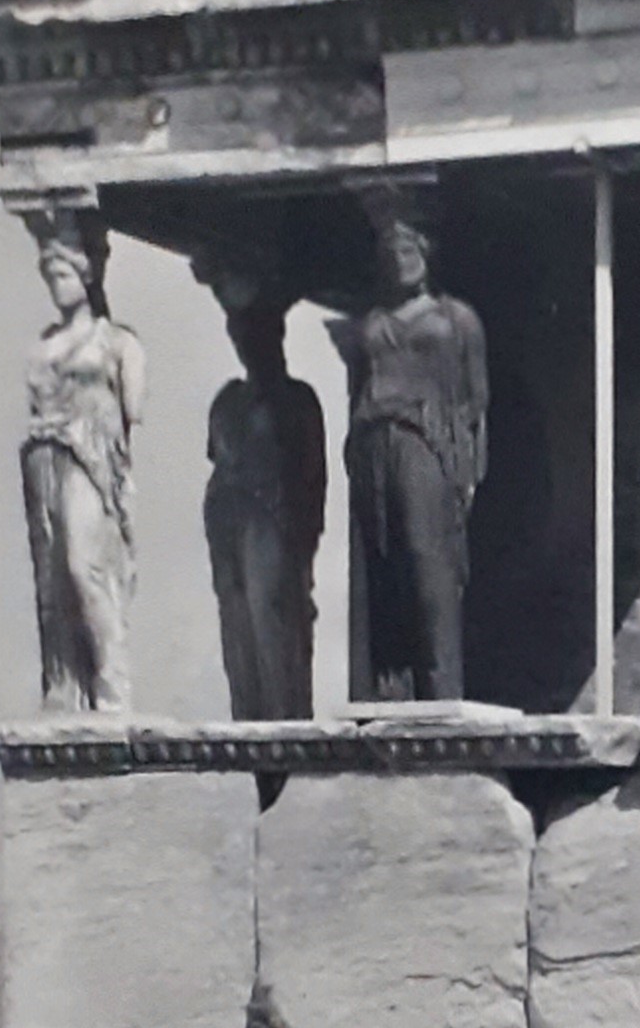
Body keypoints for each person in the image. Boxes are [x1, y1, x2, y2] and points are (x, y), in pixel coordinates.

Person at [341, 201, 486, 701]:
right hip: (373, 439)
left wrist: (464, 473)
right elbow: (357, 384)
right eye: (391, 249)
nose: (400, 257)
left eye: (408, 246)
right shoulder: (373, 321)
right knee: (382, 564)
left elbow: (474, 402)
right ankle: (389, 691)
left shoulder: (456, 318)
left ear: (426, 250)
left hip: (426, 439)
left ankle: (441, 687)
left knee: (428, 561)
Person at [19, 211, 144, 712]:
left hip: (89, 457)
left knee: (82, 564)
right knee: (50, 576)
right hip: (43, 456)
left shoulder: (117, 342)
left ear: (87, 274)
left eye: (64, 274)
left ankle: (113, 687)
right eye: (50, 277)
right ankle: (63, 687)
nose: (56, 285)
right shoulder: (42, 345)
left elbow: (134, 410)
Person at [199, 258, 328, 721]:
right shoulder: (228, 399)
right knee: (238, 624)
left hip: (274, 519)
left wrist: (305, 537)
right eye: (239, 334)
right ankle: (250, 717)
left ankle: (285, 716)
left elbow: (314, 478)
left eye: (255, 332)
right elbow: (216, 459)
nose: (246, 344)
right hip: (229, 519)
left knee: (272, 616)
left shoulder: (297, 399)